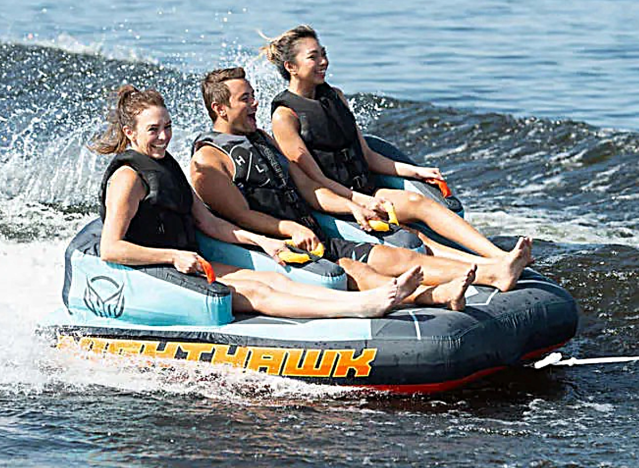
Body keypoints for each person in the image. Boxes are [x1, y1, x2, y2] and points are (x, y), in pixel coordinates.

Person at [190, 67, 531, 300]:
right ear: (219, 108)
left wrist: (355, 205)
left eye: (253, 95)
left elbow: (310, 190)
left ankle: (492, 271)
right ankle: (438, 295)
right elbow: (244, 217)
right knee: (353, 270)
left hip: (316, 236)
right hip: (277, 250)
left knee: (392, 256)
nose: (255, 104)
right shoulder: (209, 161)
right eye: (245, 99)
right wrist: (289, 230)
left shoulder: (261, 138)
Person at [91, 84, 425, 319]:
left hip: (188, 264)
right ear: (130, 132)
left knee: (276, 279)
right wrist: (173, 256)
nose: (164, 136)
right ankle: (363, 307)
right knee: (260, 294)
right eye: (153, 130)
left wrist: (264, 242)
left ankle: (367, 300)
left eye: (168, 126)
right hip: (153, 272)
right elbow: (112, 248)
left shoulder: (166, 164)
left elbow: (208, 223)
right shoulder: (128, 178)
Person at [264, 25, 534, 267]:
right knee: (410, 236)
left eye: (324, 53)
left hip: (367, 188)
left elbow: (367, 156)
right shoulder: (285, 116)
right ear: (291, 66)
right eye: (313, 57)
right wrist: (360, 201)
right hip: (335, 202)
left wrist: (416, 172)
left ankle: (498, 255)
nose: (324, 61)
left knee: (421, 203)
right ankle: (486, 268)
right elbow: (316, 181)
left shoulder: (336, 97)